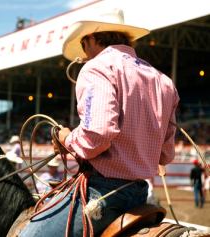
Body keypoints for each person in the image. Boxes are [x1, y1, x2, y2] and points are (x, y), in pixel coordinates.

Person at [21, 9, 179, 237]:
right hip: (139, 194)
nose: (84, 54)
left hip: (102, 193)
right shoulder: (163, 81)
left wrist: (66, 139)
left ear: (93, 38)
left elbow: (98, 134)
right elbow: (166, 155)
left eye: (84, 45)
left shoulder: (97, 67)